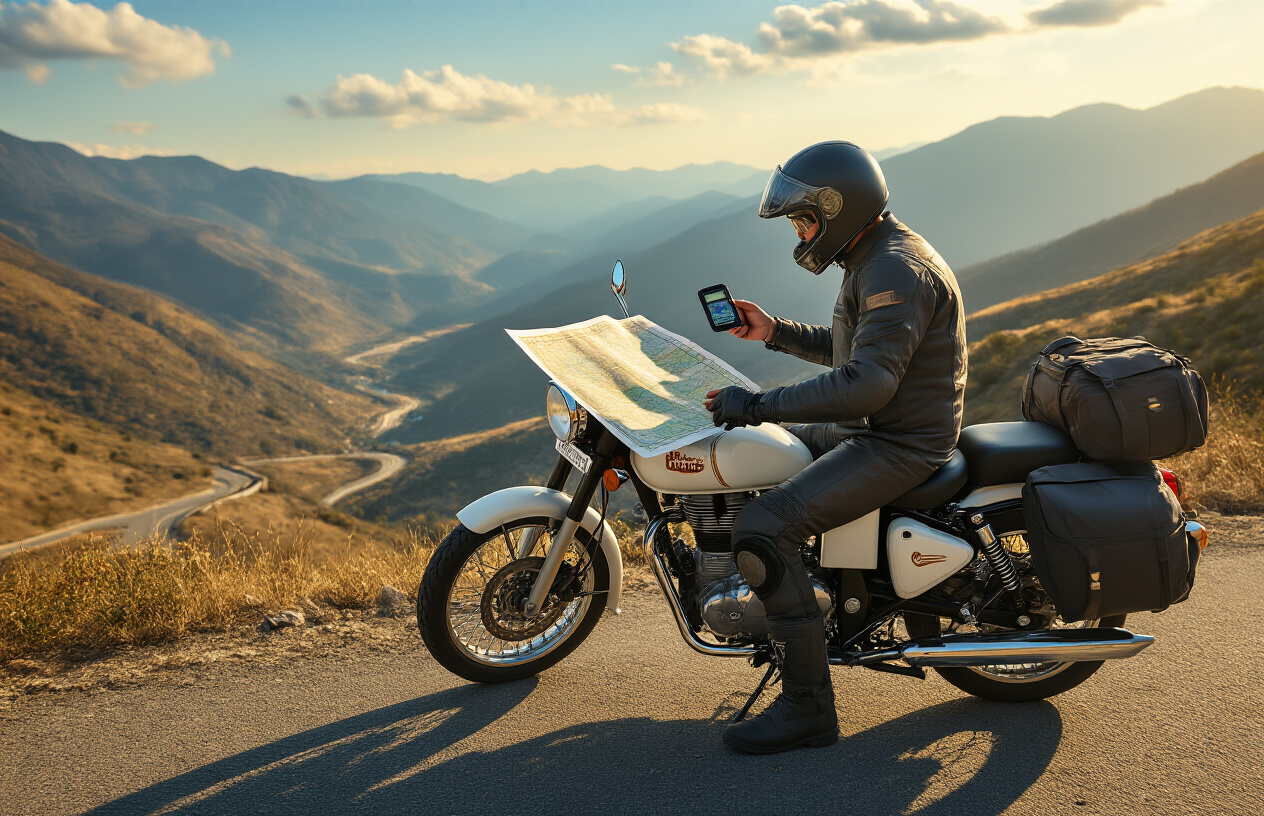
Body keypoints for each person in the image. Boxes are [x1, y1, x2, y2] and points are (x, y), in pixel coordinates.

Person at [703, 141, 968, 754]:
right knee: (756, 450)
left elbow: (866, 384)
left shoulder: (894, 270)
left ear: (838, 209)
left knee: (764, 528)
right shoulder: (874, 256)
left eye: (804, 219)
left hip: (896, 441)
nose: (798, 232)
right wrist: (776, 332)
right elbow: (859, 353)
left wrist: (759, 402)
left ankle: (807, 707)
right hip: (876, 426)